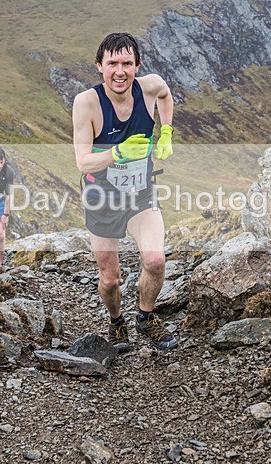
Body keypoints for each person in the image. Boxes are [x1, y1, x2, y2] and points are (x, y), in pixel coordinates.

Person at [72, 32, 177, 351]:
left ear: (137, 65)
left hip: (140, 194)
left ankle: (146, 317)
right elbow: (83, 162)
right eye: (112, 63)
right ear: (99, 66)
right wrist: (117, 153)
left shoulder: (150, 86)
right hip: (101, 199)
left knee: (156, 260)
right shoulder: (87, 103)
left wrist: (166, 133)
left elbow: (166, 95)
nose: (120, 71)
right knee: (110, 279)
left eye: (127, 63)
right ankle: (117, 321)